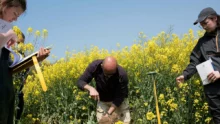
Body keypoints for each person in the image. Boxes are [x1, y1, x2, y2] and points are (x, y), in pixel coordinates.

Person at [0, 0, 50, 123]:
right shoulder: (7, 31)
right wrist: (9, 34)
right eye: (15, 13)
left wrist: (36, 59)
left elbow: (9, 67)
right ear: (5, 5)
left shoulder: (5, 27)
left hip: (6, 92)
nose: (15, 19)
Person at [176, 7, 220, 123]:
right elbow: (195, 61)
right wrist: (185, 75)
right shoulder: (202, 42)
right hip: (212, 89)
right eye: (202, 25)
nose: (204, 27)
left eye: (205, 23)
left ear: (215, 18)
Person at [77, 56, 131, 124]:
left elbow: (119, 97)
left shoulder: (122, 74)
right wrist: (90, 88)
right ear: (101, 66)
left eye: (111, 74)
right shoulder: (95, 67)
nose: (109, 76)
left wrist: (108, 114)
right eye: (106, 74)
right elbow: (80, 81)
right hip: (103, 101)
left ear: (116, 68)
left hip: (119, 102)